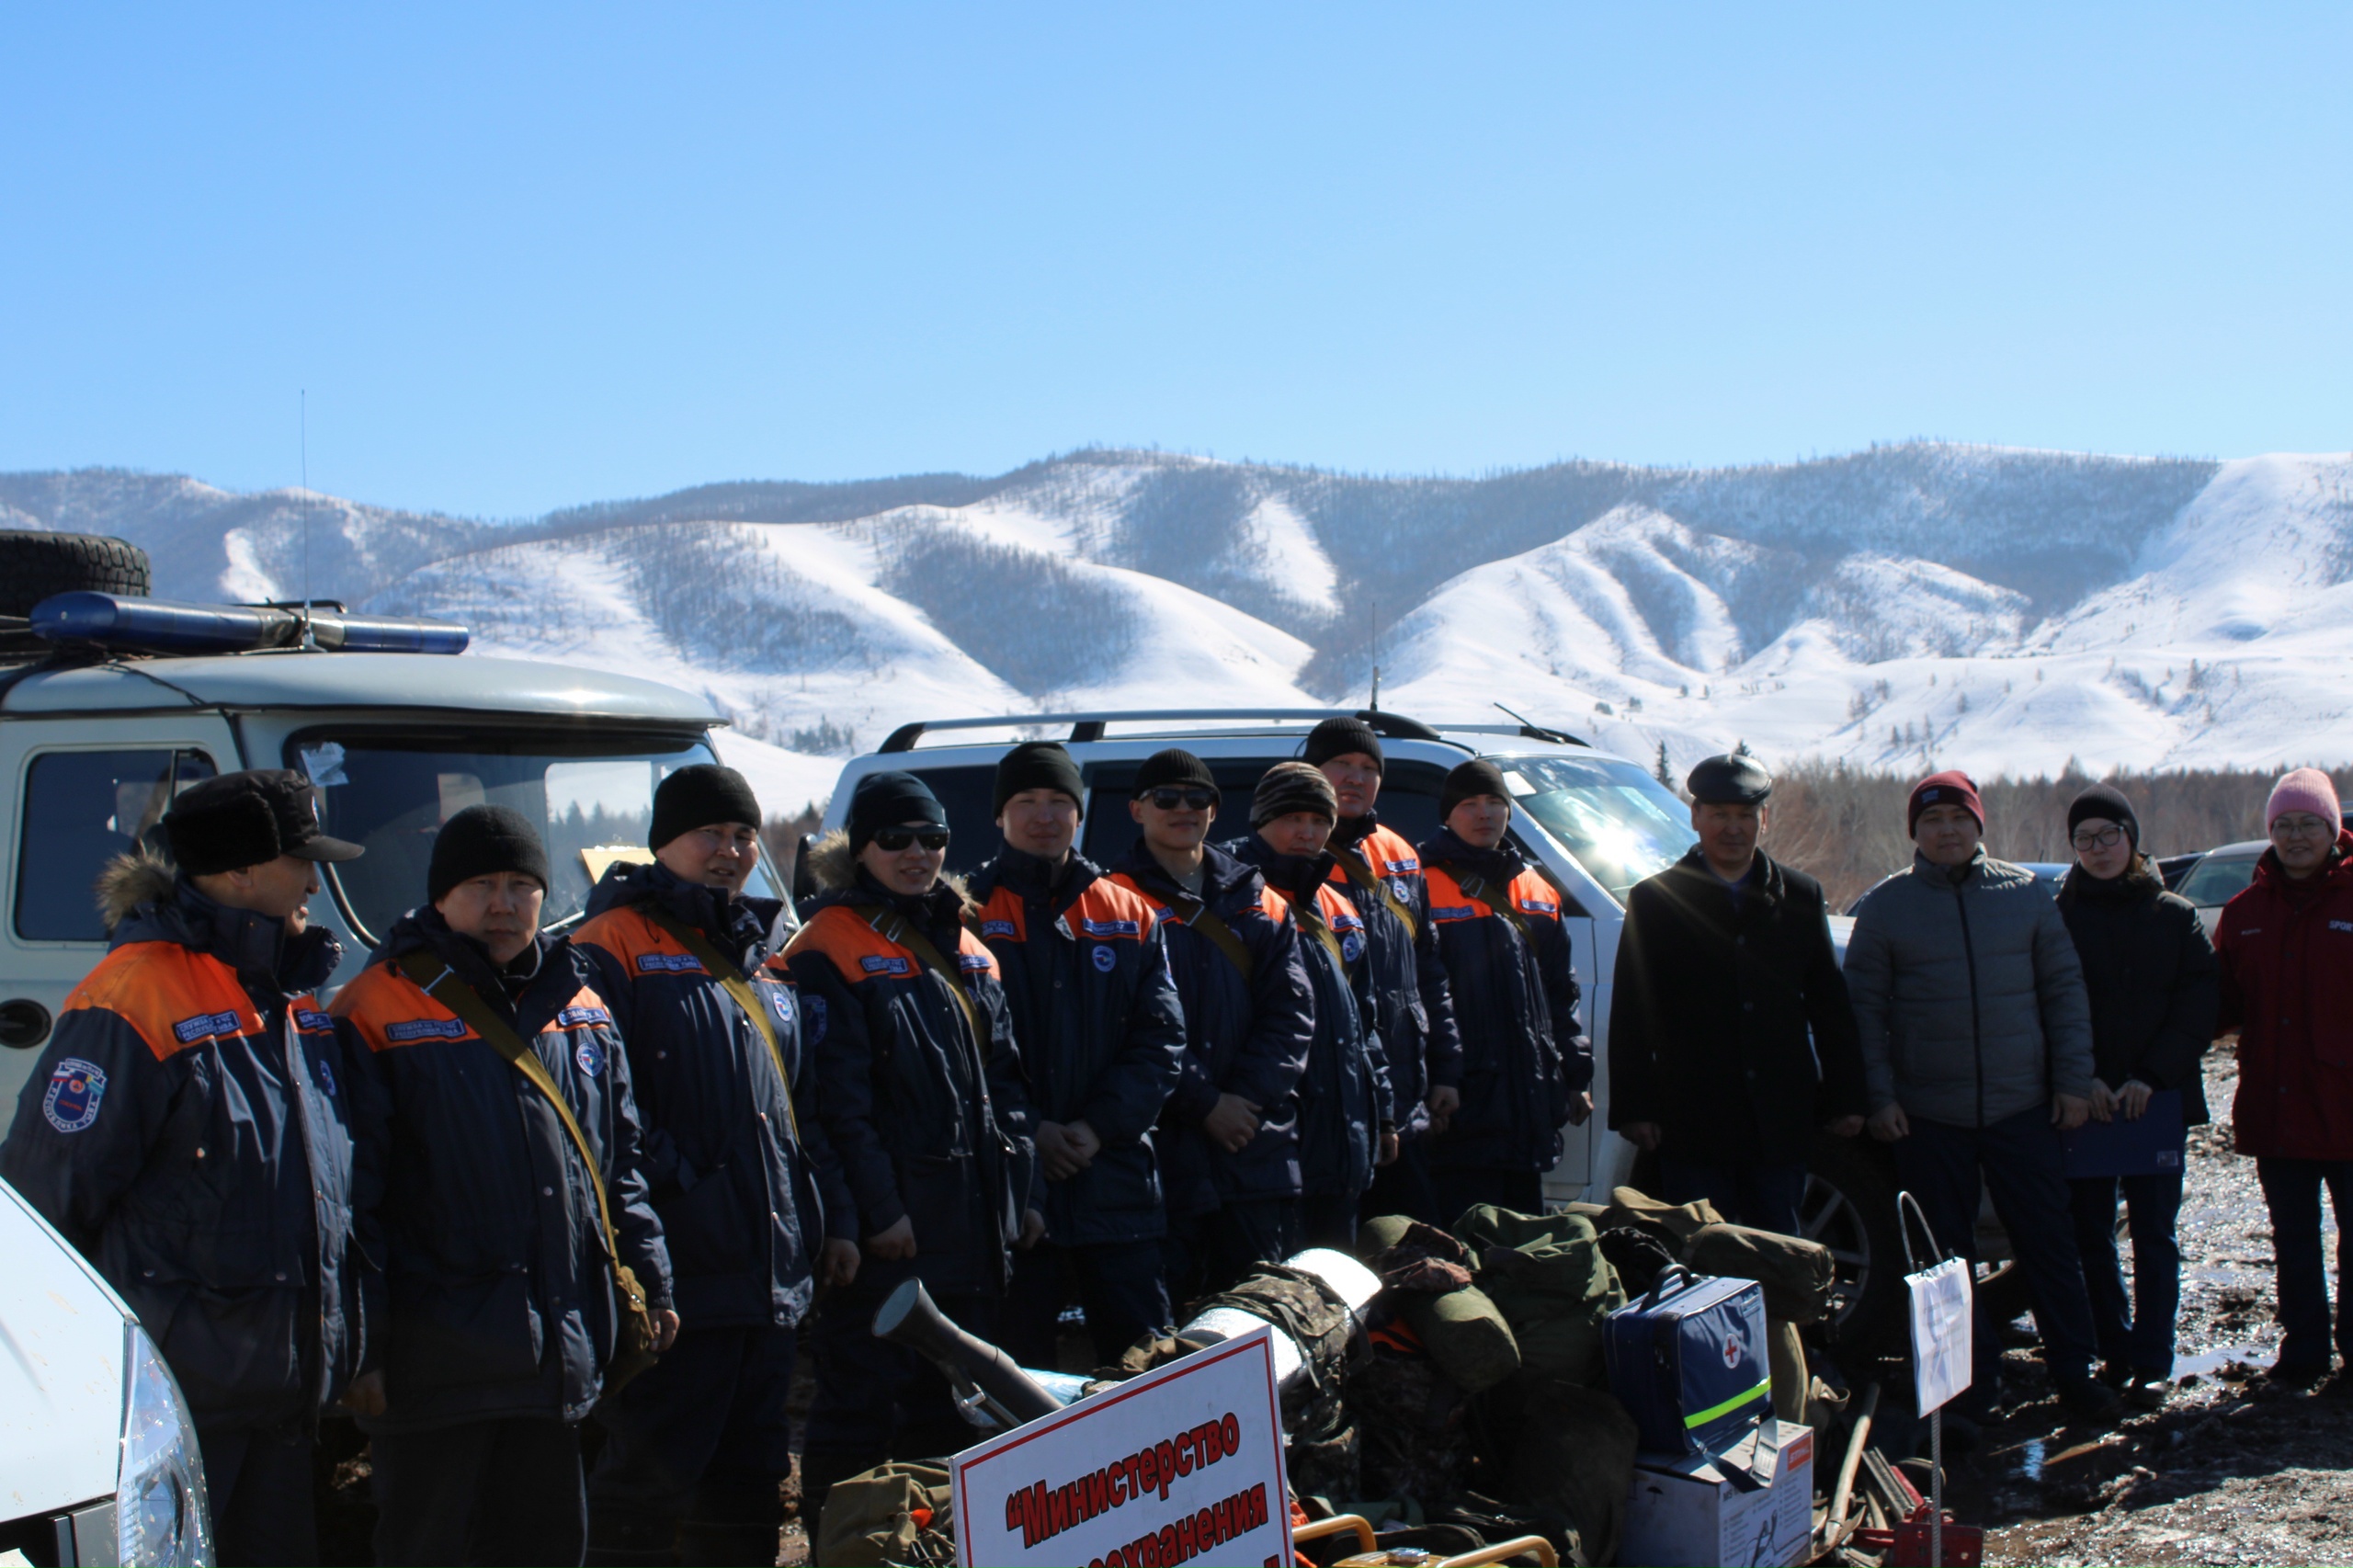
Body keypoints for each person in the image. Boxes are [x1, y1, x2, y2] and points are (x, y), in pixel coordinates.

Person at [0, 770, 368, 1568]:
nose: (315, 878)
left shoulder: (289, 992)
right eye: (300, 859)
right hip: (178, 1411)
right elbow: (45, 1210)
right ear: (238, 873)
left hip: (280, 1398)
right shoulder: (133, 999)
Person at [335, 806, 677, 1568]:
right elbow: (354, 1204)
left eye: (522, 884)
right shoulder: (374, 1008)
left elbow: (620, 1168)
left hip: (556, 1358)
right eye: (481, 884)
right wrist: (364, 1346)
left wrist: (652, 1281)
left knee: (547, 1547)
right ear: (440, 898)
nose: (503, 903)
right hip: (435, 1369)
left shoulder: (580, 1008)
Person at [572, 766, 856, 1568]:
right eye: (711, 835)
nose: (730, 851)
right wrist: (686, 1191)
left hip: (768, 1274)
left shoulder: (765, 952)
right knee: (649, 1480)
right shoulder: (609, 945)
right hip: (684, 1273)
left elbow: (800, 1108)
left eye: (742, 835)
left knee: (751, 1480)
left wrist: (821, 1219)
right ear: (665, 842)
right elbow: (603, 1118)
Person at [784, 770, 1041, 1518]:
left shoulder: (967, 945)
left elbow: (1009, 1084)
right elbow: (836, 1105)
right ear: (859, 849)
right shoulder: (826, 946)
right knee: (860, 1414)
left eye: (932, 839)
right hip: (892, 1236)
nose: (916, 853)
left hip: (973, 1229)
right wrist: (878, 1212)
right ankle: (843, 1547)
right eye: (894, 839)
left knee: (957, 1421)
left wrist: (1022, 1194)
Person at [1846, 770, 2119, 1422]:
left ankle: (2075, 1372)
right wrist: (1879, 1096)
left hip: (2022, 1107)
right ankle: (1964, 1394)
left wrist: (2072, 1083)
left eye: (1959, 821)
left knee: (2049, 1243)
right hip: (1928, 1114)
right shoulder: (1888, 906)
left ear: (1979, 828)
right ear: (1916, 831)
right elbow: (1861, 1012)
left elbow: (2064, 992)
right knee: (1944, 1261)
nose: (1947, 832)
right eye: (1933, 822)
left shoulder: (2024, 895)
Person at [966, 741, 1187, 1366]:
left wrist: (1095, 1128)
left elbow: (1162, 1039)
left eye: (1060, 801)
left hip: (1115, 1182)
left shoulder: (1129, 912)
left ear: (1081, 812)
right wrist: (1032, 1131)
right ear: (999, 816)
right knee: (1016, 1383)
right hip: (1013, 1189)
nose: (1044, 816)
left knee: (1148, 1372)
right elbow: (963, 1052)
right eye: (1026, 801)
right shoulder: (964, 913)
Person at [1608, 754, 1867, 1238]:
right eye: (1720, 815)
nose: (1733, 828)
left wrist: (1848, 1096)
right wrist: (1635, 1107)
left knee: (1779, 1251)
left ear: (1764, 819)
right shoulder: (1656, 899)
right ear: (1695, 817)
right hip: (1693, 1119)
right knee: (1702, 1260)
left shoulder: (1800, 895)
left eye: (1745, 815)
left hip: (1779, 1119)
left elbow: (1829, 1004)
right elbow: (1631, 1011)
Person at [1105, 749, 1315, 1301]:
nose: (1183, 809)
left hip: (1254, 1150)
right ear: (1136, 810)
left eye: (1197, 798)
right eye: (1165, 798)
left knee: (1257, 1327)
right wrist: (1204, 1104)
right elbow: (1122, 1025)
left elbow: (1291, 1014)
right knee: (1163, 1342)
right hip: (1158, 1152)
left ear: (1216, 812)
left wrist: (1243, 1101)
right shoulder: (1108, 900)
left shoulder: (1259, 897)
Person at [2056, 782, 2219, 1409]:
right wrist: (2083, 1077)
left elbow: (2198, 1004)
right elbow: (2050, 1004)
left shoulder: (2173, 916)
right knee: (2090, 1232)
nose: (2099, 849)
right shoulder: (2058, 917)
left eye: (2109, 836)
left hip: (2156, 1100)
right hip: (2086, 1100)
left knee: (2154, 1232)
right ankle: (2113, 1349)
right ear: (2073, 848)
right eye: (2085, 839)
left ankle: (2152, 1356)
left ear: (2133, 840)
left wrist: (2150, 1076)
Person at [2212, 767, 2353, 1387]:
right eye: (2285, 825)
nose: (2297, 837)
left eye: (2309, 824)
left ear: (2333, 829)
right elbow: (2215, 1005)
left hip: (2348, 1107)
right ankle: (2303, 1354)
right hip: (2276, 1105)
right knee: (2293, 1239)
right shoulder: (2245, 913)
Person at [1225, 762, 1394, 1249]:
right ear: (1260, 821)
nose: (1307, 832)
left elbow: (1365, 1021)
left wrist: (1382, 1113)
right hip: (1267, 1145)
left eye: (1320, 821)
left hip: (1341, 1143)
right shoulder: (1232, 898)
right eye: (1292, 818)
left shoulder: (1337, 905)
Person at [1305, 716, 1463, 1226]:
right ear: (1312, 769)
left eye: (1369, 767)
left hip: (1402, 1093)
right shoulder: (1286, 848)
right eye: (1342, 764)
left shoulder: (1399, 854)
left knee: (1411, 1245)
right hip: (1323, 1099)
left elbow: (1427, 969)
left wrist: (1445, 1068)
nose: (1356, 777)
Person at [1415, 759, 1590, 1221]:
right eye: (1469, 804)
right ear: (1448, 814)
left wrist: (1575, 1073)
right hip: (1461, 1105)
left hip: (1527, 1104)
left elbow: (1560, 992)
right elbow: (1417, 997)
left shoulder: (1537, 889)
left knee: (1523, 1244)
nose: (1484, 814)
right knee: (1464, 1237)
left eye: (1495, 802)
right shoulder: (1419, 884)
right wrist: (1439, 1078)